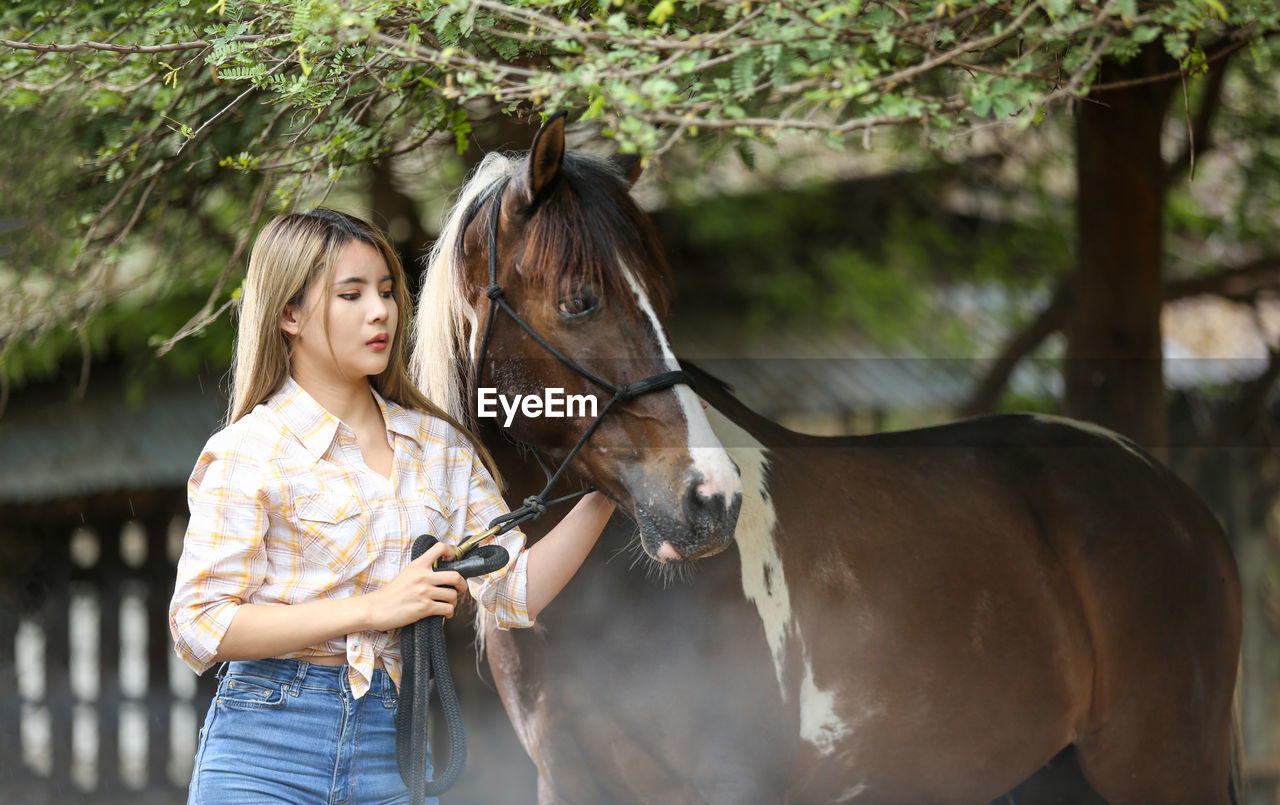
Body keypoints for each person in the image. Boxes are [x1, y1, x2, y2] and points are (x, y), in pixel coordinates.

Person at [169, 208, 614, 804]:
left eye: (385, 291)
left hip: (394, 751)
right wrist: (374, 609)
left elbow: (514, 592)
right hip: (265, 749)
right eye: (350, 295)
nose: (380, 311)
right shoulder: (248, 450)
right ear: (289, 314)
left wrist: (608, 486)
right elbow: (200, 624)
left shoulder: (437, 446)